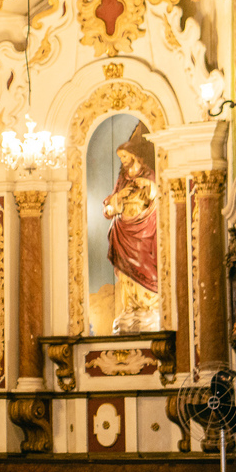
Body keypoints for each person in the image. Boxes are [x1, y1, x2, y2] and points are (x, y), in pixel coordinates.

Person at [102, 123, 159, 333]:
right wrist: (119, 197)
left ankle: (148, 306)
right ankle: (130, 307)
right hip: (123, 228)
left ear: (134, 155)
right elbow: (111, 204)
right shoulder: (123, 178)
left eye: (125, 157)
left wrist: (146, 186)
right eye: (121, 158)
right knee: (125, 273)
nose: (123, 161)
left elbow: (157, 195)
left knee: (145, 262)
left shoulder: (148, 173)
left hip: (144, 227)